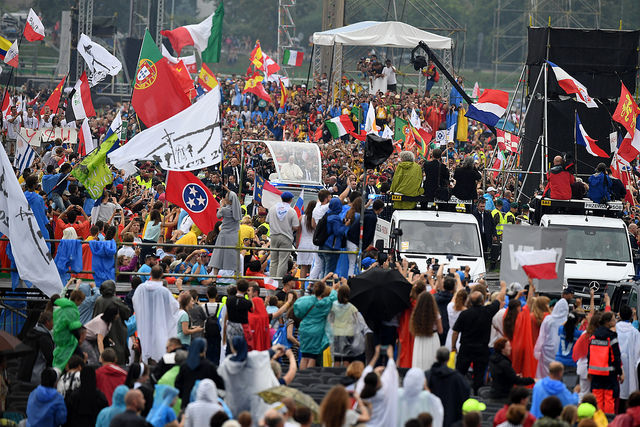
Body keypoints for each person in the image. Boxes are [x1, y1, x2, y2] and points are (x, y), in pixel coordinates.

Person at [451, 282, 506, 393]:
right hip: (482, 348)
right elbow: (499, 299)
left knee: (460, 372)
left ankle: (457, 392)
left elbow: (455, 332)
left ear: (470, 302)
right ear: (482, 300)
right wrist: (503, 287)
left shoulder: (464, 314)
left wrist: (453, 346)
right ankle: (477, 393)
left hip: (466, 347)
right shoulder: (488, 311)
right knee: (479, 374)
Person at [216, 336, 280, 421]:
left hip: (234, 403)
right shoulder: (253, 358)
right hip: (252, 403)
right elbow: (267, 354)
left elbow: (219, 383)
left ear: (232, 347)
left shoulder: (226, 365)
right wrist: (276, 348)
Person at [132, 265, 180, 362]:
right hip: (160, 323)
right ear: (162, 275)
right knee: (159, 346)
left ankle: (145, 365)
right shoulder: (164, 291)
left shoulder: (141, 288)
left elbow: (135, 301)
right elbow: (174, 307)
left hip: (146, 323)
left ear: (150, 273)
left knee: (146, 347)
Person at [293, 277, 339, 369]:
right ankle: (310, 375)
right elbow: (333, 298)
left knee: (304, 355)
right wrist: (334, 288)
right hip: (316, 331)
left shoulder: (305, 300)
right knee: (312, 357)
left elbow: (297, 311)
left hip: (304, 329)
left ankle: (301, 375)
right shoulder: (324, 303)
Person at [587, 311, 623, 414]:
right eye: (613, 319)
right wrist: (620, 372)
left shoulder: (593, 336)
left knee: (597, 398)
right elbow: (616, 357)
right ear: (608, 322)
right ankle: (608, 420)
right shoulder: (611, 336)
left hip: (595, 373)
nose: (615, 321)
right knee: (609, 399)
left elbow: (589, 355)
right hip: (609, 374)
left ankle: (597, 419)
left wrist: (588, 370)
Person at [175, 338, 225, 409]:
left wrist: (185, 395)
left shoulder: (185, 366)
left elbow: (177, 385)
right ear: (204, 349)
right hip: (205, 405)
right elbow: (220, 384)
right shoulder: (209, 366)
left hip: (187, 405)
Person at [355, 345, 399, 427]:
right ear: (378, 382)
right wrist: (390, 357)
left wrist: (376, 355)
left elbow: (365, 375)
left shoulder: (362, 393)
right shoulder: (385, 392)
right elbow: (391, 372)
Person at [427, 347, 471, 426]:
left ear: (436, 357)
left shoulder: (428, 375)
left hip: (432, 416)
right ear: (448, 358)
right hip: (451, 416)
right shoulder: (457, 377)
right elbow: (466, 391)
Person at [93, 279, 132, 367]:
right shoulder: (116, 300)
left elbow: (94, 316)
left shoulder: (98, 300)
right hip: (117, 330)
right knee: (119, 350)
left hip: (102, 332)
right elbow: (127, 313)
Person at [328, 284, 366, 366]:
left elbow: (330, 319)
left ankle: (335, 373)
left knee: (337, 358)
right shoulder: (352, 307)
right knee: (347, 358)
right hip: (349, 334)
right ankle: (345, 373)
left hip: (336, 333)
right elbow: (357, 321)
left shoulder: (333, 305)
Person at [266, 191, 299, 282]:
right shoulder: (292, 211)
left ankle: (272, 282)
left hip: (274, 236)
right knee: (283, 261)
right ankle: (279, 283)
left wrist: (275, 224)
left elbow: (267, 221)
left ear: (281, 198)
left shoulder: (273, 209)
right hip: (286, 237)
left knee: (273, 260)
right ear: (291, 200)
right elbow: (296, 226)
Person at [209, 191, 243, 277]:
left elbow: (218, 215)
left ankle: (214, 277)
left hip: (224, 235)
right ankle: (236, 276)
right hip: (234, 235)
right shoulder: (238, 210)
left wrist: (221, 205)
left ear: (228, 200)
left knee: (218, 255)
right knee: (234, 256)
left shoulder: (224, 210)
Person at [534, 298, 569, 379]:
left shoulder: (548, 319)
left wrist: (537, 350)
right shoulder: (567, 321)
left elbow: (542, 336)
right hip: (560, 351)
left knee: (544, 374)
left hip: (547, 350)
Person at [52, 291, 84, 371]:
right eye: (81, 301)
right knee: (79, 358)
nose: (81, 303)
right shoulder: (71, 310)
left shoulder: (62, 308)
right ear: (77, 299)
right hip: (68, 340)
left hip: (60, 339)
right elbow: (73, 327)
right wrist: (79, 339)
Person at [411, 291, 443, 370]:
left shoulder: (416, 313)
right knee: (431, 360)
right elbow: (440, 331)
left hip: (419, 339)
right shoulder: (436, 314)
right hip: (432, 338)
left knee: (418, 360)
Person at [19, 311, 54, 383]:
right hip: (37, 374)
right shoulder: (44, 337)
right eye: (53, 321)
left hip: (25, 371)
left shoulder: (32, 332)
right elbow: (50, 357)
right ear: (47, 322)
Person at [616, 305, 640, 406]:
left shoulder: (614, 329)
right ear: (630, 316)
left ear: (620, 315)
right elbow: (637, 352)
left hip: (617, 365)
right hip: (630, 367)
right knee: (630, 387)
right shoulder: (635, 332)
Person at [320, 198, 349, 276]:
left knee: (323, 270)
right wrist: (345, 225)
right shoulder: (335, 218)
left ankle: (321, 283)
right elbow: (338, 232)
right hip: (331, 246)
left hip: (323, 245)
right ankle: (326, 283)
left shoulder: (327, 214)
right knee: (329, 271)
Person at [296, 200, 317, 278]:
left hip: (303, 244)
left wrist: (297, 244)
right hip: (313, 244)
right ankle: (310, 283)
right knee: (313, 267)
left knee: (303, 267)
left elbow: (298, 232)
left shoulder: (301, 218)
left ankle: (302, 284)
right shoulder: (316, 219)